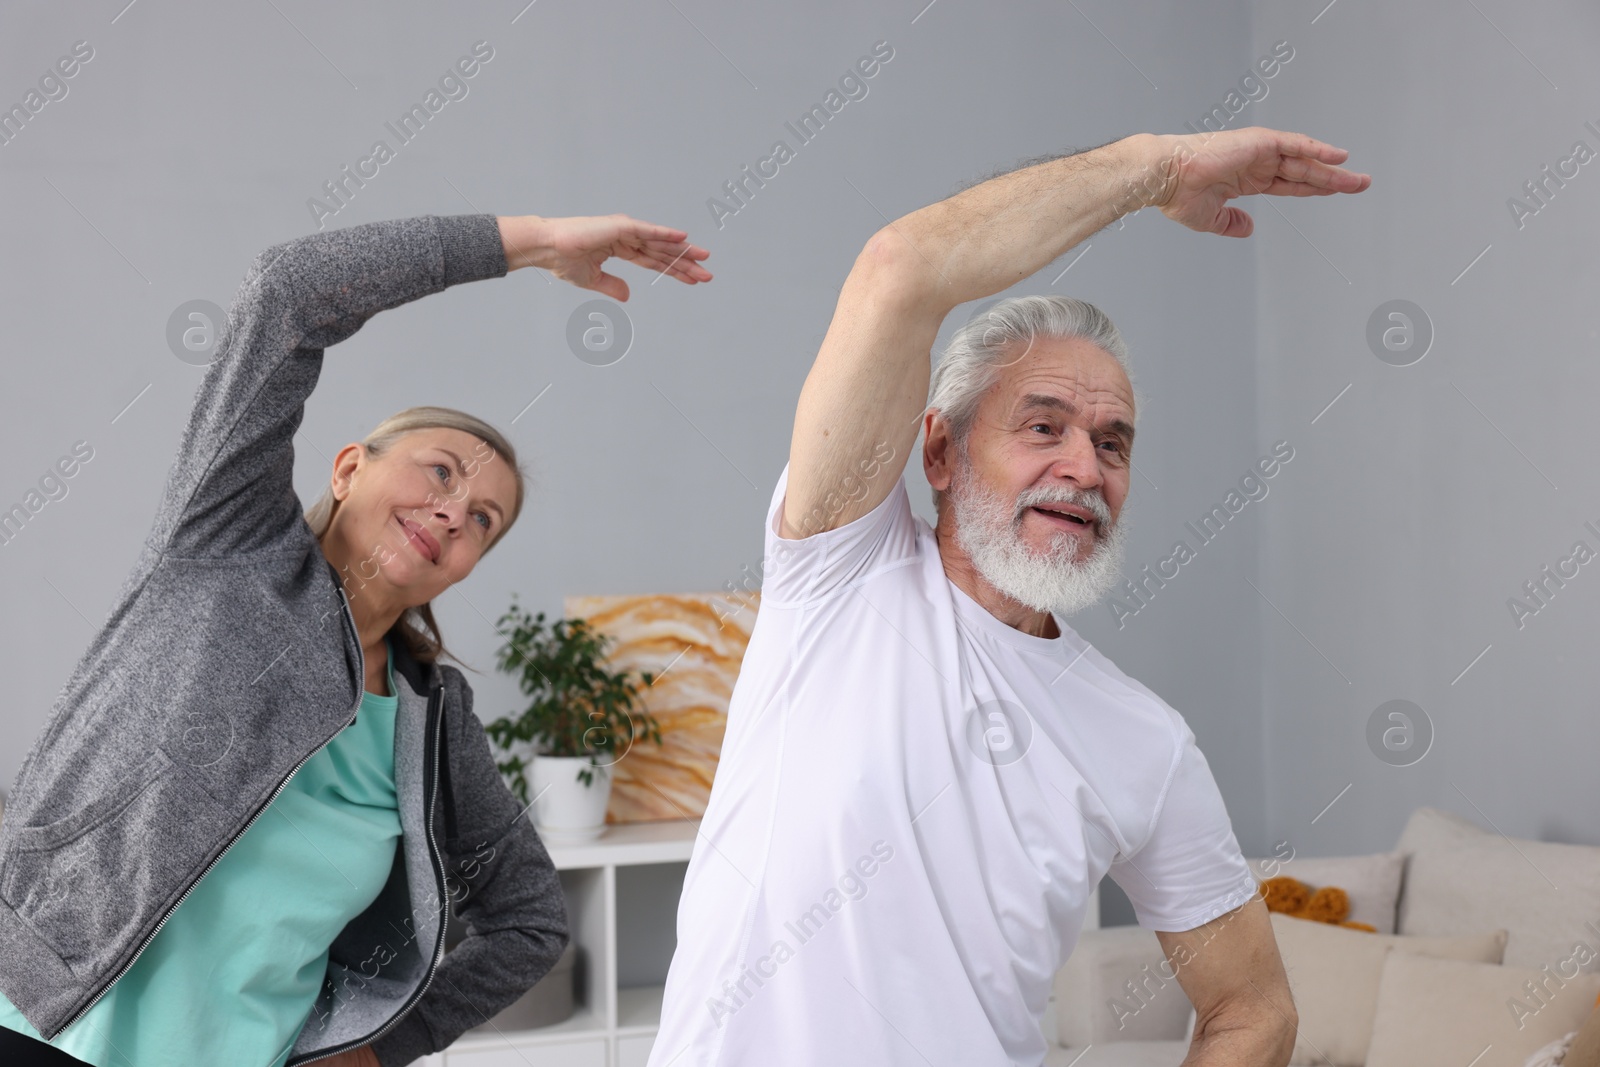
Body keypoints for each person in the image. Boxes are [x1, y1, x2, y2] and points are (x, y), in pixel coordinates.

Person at [649, 126, 1370, 1066]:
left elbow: (1254, 1009)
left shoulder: (1144, 742)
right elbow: (901, 267)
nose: (1084, 467)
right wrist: (1154, 168)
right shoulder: (839, 567)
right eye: (1044, 425)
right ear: (940, 453)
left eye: (1113, 443)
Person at [0, 211, 712, 1067]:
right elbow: (288, 291)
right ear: (347, 468)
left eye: (482, 518)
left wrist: (378, 1048)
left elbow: (529, 919)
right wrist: (528, 245)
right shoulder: (226, 544)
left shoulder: (430, 723)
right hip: (33, 1019)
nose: (453, 510)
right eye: (441, 471)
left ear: (464, 565)